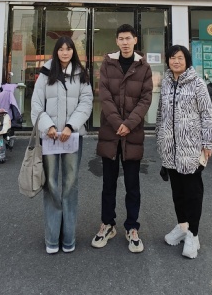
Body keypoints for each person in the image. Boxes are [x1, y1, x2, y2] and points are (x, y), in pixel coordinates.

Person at [92, 24, 153, 253]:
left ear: (135, 40)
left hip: (132, 134)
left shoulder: (144, 67)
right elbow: (104, 95)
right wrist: (118, 123)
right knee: (108, 183)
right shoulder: (108, 64)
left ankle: (132, 227)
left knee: (132, 184)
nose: (125, 42)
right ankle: (107, 225)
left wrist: (129, 124)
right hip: (111, 133)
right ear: (116, 41)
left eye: (128, 38)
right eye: (121, 38)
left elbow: (146, 99)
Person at [31, 36, 93, 254]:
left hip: (71, 137)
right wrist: (47, 125)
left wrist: (70, 126)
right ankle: (51, 238)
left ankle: (68, 238)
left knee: (70, 184)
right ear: (56, 51)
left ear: (73, 51)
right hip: (49, 137)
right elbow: (36, 103)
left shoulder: (81, 74)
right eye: (61, 49)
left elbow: (86, 103)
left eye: (69, 49)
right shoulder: (46, 73)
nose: (65, 52)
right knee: (51, 184)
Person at [156, 44, 212, 259]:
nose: (176, 61)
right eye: (172, 58)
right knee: (177, 192)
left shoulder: (197, 84)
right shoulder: (166, 82)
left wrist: (208, 142)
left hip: (191, 147)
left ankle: (193, 234)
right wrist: (160, 136)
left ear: (187, 60)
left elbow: (207, 114)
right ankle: (182, 227)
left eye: (180, 58)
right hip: (170, 148)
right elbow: (161, 113)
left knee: (192, 192)